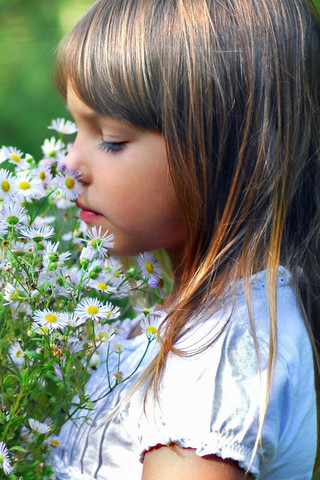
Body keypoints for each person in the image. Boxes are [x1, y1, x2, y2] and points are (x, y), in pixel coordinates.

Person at [51, 0, 320, 478]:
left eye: (111, 138)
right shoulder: (198, 316)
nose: (70, 166)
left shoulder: (216, 357)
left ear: (223, 150)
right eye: (75, 128)